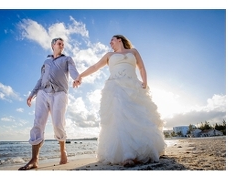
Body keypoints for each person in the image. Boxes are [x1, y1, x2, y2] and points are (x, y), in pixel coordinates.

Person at [73, 35, 165, 167]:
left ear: (119, 40)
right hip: (115, 87)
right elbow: (94, 67)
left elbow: (141, 67)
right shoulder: (109, 55)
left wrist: (145, 81)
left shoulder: (133, 52)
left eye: (112, 40)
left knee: (139, 117)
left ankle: (145, 151)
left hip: (133, 86)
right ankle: (127, 155)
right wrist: (80, 76)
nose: (110, 43)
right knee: (120, 117)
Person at [19, 38, 80, 170]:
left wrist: (77, 79)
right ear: (53, 45)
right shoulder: (46, 62)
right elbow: (41, 79)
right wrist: (32, 94)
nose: (62, 45)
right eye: (59, 43)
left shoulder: (67, 59)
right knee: (37, 124)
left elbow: (73, 71)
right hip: (43, 93)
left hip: (60, 93)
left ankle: (63, 151)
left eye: (63, 44)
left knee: (58, 124)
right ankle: (34, 159)